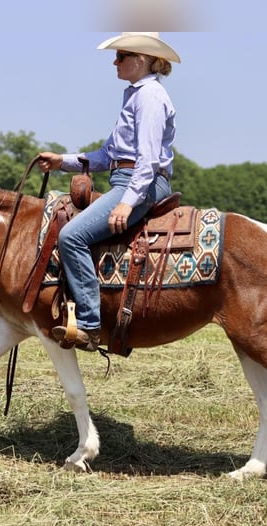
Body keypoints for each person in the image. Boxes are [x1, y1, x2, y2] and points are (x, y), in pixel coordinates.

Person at [37, 32, 181, 352]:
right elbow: (108, 156)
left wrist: (127, 203)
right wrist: (63, 161)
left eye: (120, 56)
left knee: (71, 236)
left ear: (140, 60)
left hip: (141, 184)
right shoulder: (134, 95)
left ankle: (89, 324)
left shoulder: (150, 96)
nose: (114, 63)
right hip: (127, 179)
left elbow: (147, 161)